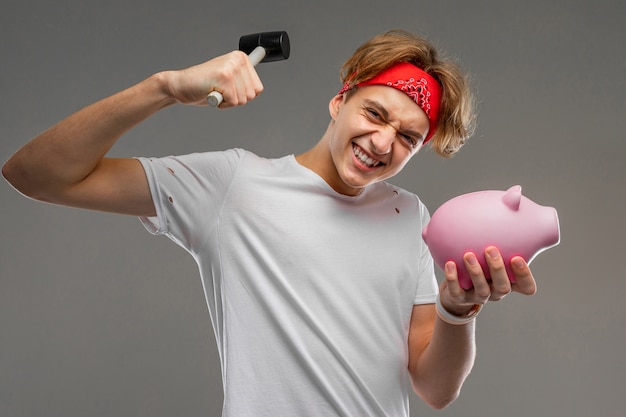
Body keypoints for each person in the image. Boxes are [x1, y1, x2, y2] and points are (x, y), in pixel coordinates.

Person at [2, 30, 537, 416]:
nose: (382, 142)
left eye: (407, 137)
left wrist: (457, 310)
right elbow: (36, 174)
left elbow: (436, 390)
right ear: (340, 100)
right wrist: (164, 87)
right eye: (375, 114)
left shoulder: (410, 216)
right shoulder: (233, 186)